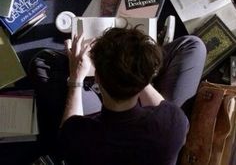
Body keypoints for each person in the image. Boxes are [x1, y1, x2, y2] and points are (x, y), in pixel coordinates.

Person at [29, 25, 206, 165]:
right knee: (194, 45)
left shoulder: (77, 137)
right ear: (148, 77)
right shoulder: (174, 122)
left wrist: (76, 78)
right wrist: (137, 69)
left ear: (96, 78)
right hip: (160, 139)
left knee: (42, 61)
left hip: (104, 134)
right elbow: (158, 103)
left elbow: (68, 127)